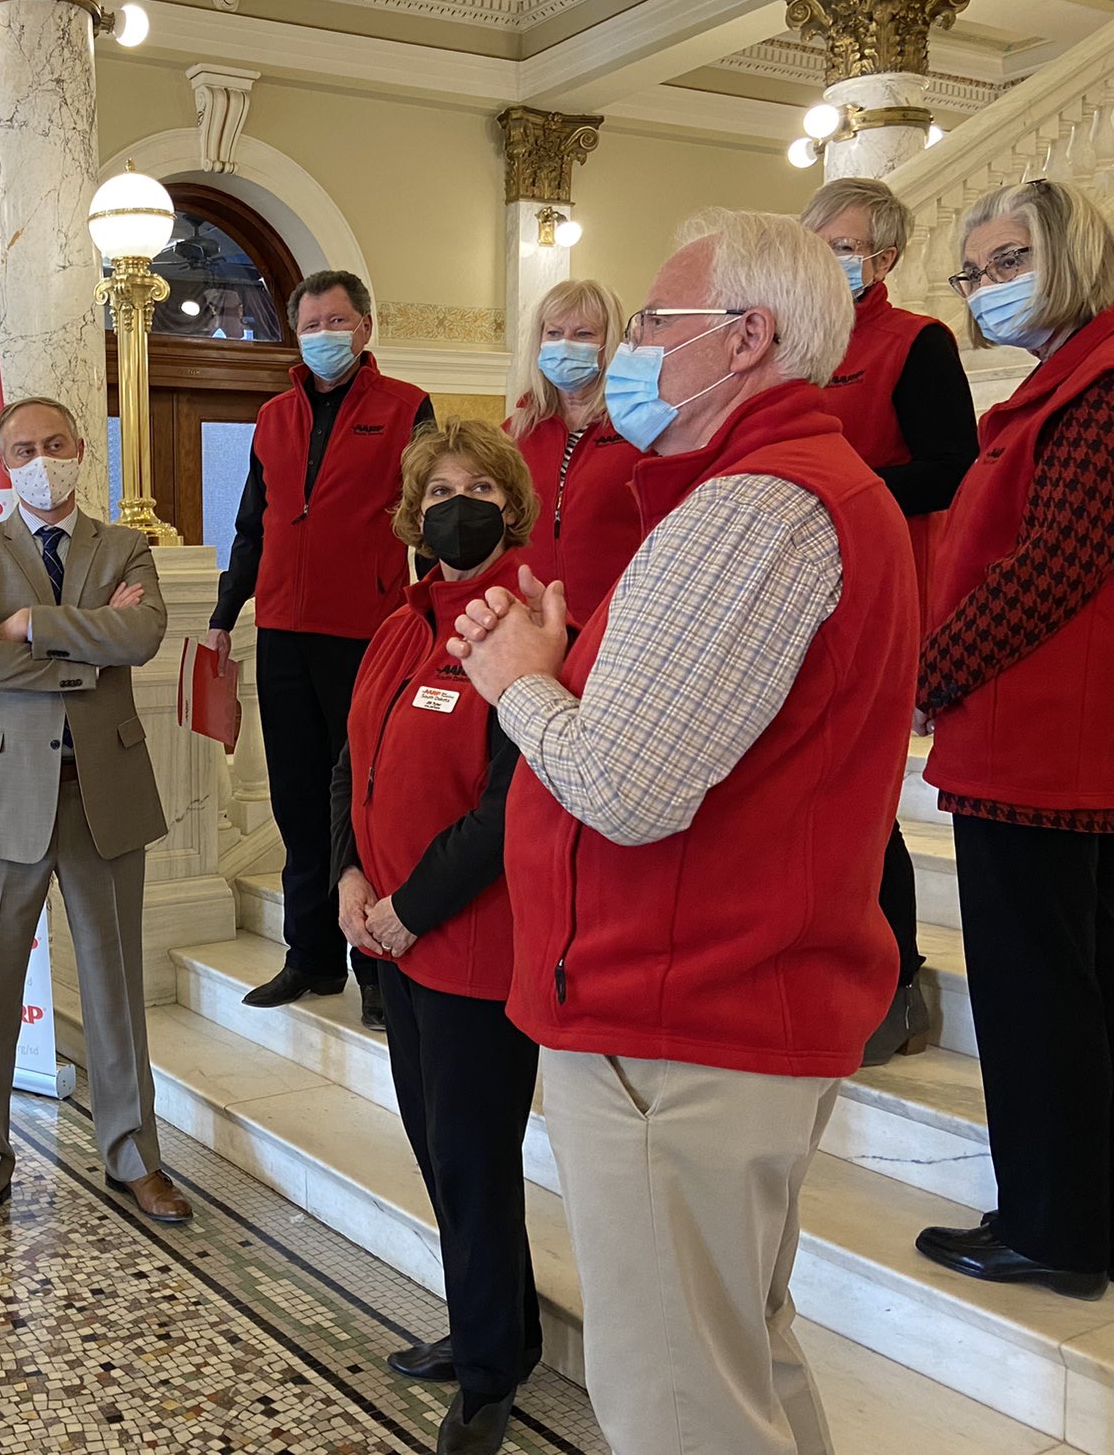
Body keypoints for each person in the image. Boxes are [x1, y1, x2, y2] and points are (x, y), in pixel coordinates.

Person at [449, 210, 916, 1455]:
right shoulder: (773, 493)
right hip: (714, 1004)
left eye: (654, 323)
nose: (628, 349)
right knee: (738, 1368)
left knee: (677, 1410)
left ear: (743, 338)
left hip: (678, 1019)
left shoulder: (754, 507)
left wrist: (516, 678)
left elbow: (624, 786)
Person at [913, 178, 1114, 1302]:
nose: (987, 288)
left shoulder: (1095, 386)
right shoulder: (1064, 382)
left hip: (1039, 746)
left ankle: (1052, 1228)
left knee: (1035, 995)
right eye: (974, 272)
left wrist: (929, 671)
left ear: (1070, 254)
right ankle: (1069, 1207)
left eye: (1005, 262)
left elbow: (1048, 567)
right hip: (1040, 738)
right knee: (1066, 989)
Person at [330, 421, 542, 1455]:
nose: (457, 504)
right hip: (388, 936)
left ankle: (491, 1372)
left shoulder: (523, 628)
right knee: (438, 1149)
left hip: (468, 948)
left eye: (479, 487)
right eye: (438, 490)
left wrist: (409, 908)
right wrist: (346, 876)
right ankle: (487, 1327)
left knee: (470, 1155)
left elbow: (507, 811)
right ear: (414, 518)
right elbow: (348, 767)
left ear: (510, 506)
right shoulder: (398, 625)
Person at [0, 396, 190, 1241]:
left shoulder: (125, 545)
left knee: (116, 987)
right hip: (4, 801)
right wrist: (86, 654)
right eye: (22, 448)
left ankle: (133, 1156)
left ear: (82, 450)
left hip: (103, 794)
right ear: (1, 459)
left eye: (54, 444)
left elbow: (143, 637)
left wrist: (35, 626)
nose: (40, 459)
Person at [202, 269, 434, 1031]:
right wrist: (223, 612)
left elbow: (431, 520)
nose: (324, 335)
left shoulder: (406, 408)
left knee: (364, 802)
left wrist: (436, 616)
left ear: (366, 327)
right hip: (282, 632)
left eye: (337, 321)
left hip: (367, 633)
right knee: (298, 801)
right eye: (310, 324)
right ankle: (311, 957)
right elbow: (252, 523)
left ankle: (375, 963)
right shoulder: (272, 416)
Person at [802, 176, 980, 1065]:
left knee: (867, 797)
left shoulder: (918, 343)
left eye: (844, 245)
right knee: (812, 790)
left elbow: (954, 467)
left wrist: (850, 493)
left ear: (886, 258)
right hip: (798, 593)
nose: (829, 258)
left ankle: (897, 980)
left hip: (882, 591)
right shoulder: (795, 342)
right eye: (817, 240)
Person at [505, 278, 643, 625]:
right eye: (554, 333)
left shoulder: (643, 431)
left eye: (583, 334)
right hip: (528, 619)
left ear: (608, 345)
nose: (565, 344)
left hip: (615, 622)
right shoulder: (513, 433)